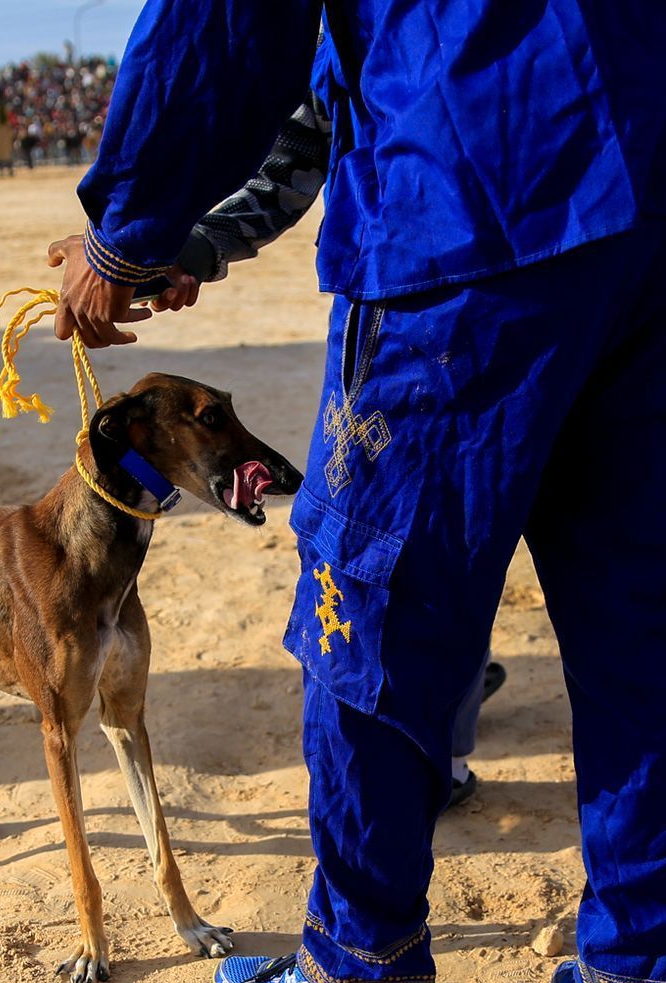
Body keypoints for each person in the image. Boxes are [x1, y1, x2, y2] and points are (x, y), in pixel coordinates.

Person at [50, 1, 666, 983]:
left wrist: (126, 233)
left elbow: (231, 21)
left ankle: (364, 961)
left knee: (374, 597)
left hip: (466, 191)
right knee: (639, 613)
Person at [156, 86, 506, 812]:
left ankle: (427, 754)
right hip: (640, 259)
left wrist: (136, 241)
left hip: (429, 281)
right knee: (616, 572)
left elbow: (294, 144)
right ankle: (456, 704)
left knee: (403, 535)